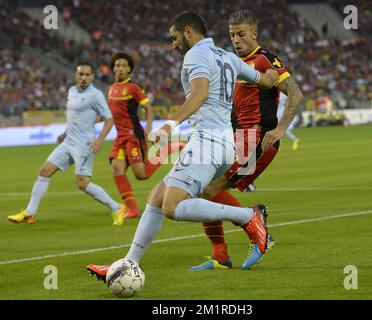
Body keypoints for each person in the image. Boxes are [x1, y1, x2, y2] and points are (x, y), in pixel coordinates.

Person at [87, 11, 281, 281]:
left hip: (207, 142)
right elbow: (266, 80)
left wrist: (169, 125)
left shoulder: (196, 55)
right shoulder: (227, 57)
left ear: (189, 31)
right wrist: (273, 74)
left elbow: (200, 94)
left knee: (172, 206)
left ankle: (249, 216)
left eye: (175, 38)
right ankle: (128, 262)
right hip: (225, 143)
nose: (173, 45)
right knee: (156, 199)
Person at [190, 9, 303, 270]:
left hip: (259, 139)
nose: (236, 39)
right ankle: (222, 254)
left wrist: (281, 129)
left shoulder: (265, 60)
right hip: (236, 137)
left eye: (241, 34)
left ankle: (254, 228)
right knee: (202, 188)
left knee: (209, 190)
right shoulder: (233, 62)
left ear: (254, 33)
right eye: (232, 35)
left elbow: (295, 94)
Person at [7, 62, 126, 225]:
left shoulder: (95, 95)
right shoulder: (71, 91)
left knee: (82, 183)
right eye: (80, 74)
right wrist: (64, 133)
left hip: (84, 145)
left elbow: (109, 118)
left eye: (87, 75)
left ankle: (116, 207)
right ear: (76, 75)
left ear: (92, 77)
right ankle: (30, 212)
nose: (83, 78)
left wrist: (99, 140)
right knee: (44, 171)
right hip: (68, 141)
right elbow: (75, 117)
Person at [107, 52, 184, 219]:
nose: (120, 68)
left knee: (141, 175)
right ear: (113, 69)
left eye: (123, 66)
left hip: (133, 135)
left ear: (129, 70)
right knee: (116, 168)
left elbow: (148, 108)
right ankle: (133, 209)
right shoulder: (111, 89)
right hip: (119, 137)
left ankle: (167, 150)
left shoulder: (133, 88)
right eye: (117, 65)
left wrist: (149, 129)